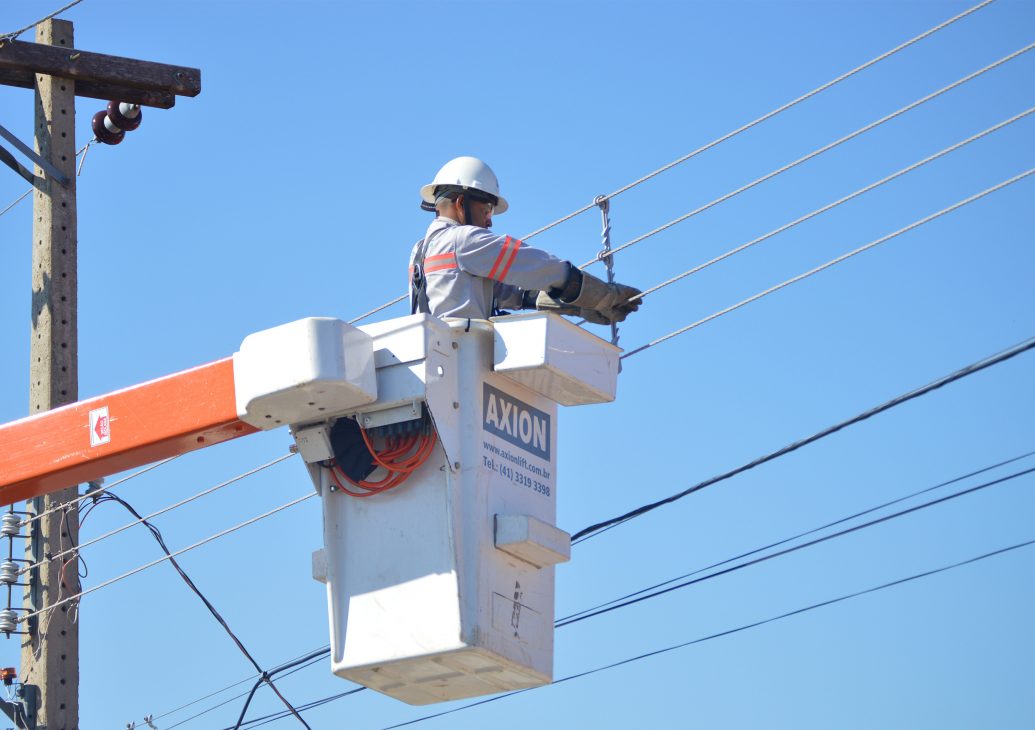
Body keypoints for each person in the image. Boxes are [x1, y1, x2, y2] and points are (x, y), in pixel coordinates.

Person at [409, 156, 642, 324]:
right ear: (461, 204)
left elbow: (503, 292)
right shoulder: (463, 240)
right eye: (486, 210)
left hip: (435, 368)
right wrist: (601, 295)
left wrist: (575, 306)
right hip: (464, 360)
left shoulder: (420, 251)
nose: (489, 222)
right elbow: (535, 266)